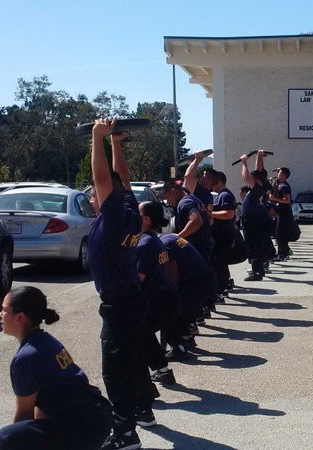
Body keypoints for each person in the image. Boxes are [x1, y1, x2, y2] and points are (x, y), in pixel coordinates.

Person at [86, 118, 150, 450]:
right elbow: (121, 178)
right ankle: (143, 410)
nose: (93, 196)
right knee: (131, 360)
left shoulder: (112, 219)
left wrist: (98, 137)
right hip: (131, 299)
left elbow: (104, 177)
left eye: (95, 194)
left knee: (115, 372)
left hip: (119, 305)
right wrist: (115, 143)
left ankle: (125, 433)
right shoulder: (130, 212)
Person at [0, 286, 112, 450]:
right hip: (96, 420)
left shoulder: (26, 357)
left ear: (20, 317)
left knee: (7, 437)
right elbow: (43, 406)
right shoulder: (46, 341)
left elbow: (24, 415)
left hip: (83, 429)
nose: (0, 315)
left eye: (4, 310)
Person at [136, 201, 179, 386]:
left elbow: (138, 279)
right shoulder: (155, 239)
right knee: (142, 333)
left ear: (146, 219)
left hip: (159, 301)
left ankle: (160, 373)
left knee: (138, 332)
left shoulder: (145, 244)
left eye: (136, 214)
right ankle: (162, 371)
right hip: (167, 300)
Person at [239, 151, 272, 281]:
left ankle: (257, 271)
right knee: (255, 245)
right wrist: (259, 156)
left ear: (256, 180)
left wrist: (244, 162)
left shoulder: (257, 187)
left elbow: (246, 177)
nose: (250, 180)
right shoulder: (260, 186)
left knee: (253, 246)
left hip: (251, 220)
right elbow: (259, 171)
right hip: (253, 219)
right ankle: (257, 270)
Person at [162, 180, 213, 262]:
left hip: (195, 251)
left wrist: (178, 236)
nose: (169, 202)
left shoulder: (185, 203)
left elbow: (196, 221)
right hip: (204, 248)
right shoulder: (194, 199)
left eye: (168, 197)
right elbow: (209, 219)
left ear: (173, 191)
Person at [210, 171, 237, 297]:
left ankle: (221, 288)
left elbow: (229, 213)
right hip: (221, 233)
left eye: (213, 180)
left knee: (219, 261)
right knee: (221, 261)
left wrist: (210, 214)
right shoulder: (221, 195)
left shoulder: (225, 195)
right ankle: (225, 283)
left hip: (224, 234)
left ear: (219, 180)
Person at [269, 166, 296, 260]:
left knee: (280, 233)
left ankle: (282, 254)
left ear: (284, 175)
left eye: (279, 172)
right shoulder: (279, 185)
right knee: (280, 233)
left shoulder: (284, 186)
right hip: (280, 211)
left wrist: (274, 198)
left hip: (284, 212)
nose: (277, 174)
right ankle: (284, 252)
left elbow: (287, 200)